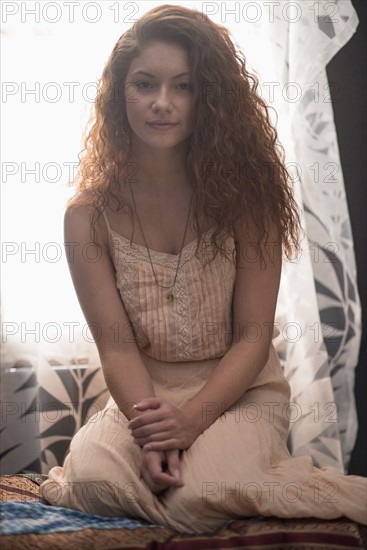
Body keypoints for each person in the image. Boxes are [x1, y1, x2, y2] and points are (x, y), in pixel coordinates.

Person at [40, 4, 367, 534]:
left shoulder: (250, 199)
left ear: (209, 97)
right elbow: (118, 348)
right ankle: (202, 486)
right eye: (144, 84)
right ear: (119, 93)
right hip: (144, 395)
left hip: (240, 389)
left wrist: (189, 424)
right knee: (98, 483)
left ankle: (236, 485)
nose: (162, 103)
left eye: (184, 86)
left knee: (199, 497)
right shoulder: (86, 215)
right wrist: (154, 434)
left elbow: (252, 340)